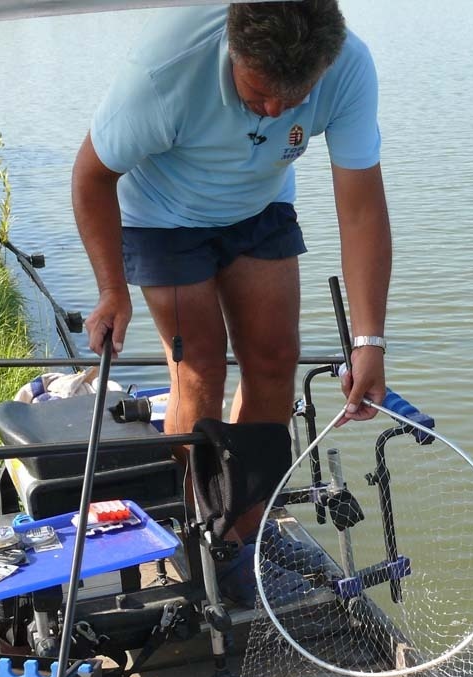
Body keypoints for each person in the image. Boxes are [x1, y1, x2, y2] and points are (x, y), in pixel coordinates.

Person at [72, 1, 392, 556]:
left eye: (290, 102)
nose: (271, 113)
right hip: (164, 214)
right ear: (231, 48)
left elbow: (362, 210)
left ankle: (245, 529)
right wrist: (111, 289)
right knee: (200, 370)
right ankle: (199, 531)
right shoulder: (165, 70)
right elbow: (91, 177)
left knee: (274, 359)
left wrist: (369, 343)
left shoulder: (348, 67)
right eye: (257, 95)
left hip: (259, 206)